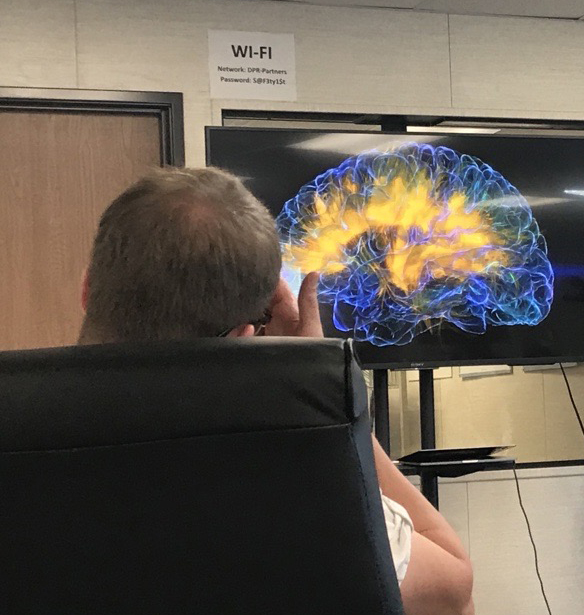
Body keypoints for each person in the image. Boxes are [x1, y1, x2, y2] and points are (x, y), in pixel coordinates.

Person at [77, 166, 475, 615]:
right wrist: (325, 394)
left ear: (88, 289)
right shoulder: (299, 485)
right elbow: (454, 592)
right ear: (244, 338)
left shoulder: (19, 434)